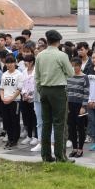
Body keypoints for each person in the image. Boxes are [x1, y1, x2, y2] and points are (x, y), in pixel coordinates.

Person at [34, 30, 75, 163]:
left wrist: (41, 89)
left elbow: (37, 76)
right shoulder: (61, 55)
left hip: (44, 89)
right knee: (60, 124)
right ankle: (60, 156)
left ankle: (46, 155)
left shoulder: (40, 55)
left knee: (46, 123)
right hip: (58, 90)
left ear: (47, 41)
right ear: (58, 41)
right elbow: (71, 73)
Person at [66, 57, 90, 158]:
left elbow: (86, 93)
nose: (74, 68)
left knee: (80, 128)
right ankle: (74, 148)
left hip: (80, 105)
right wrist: (66, 105)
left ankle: (80, 149)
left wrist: (84, 106)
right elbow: (66, 91)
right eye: (72, 66)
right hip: (70, 104)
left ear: (80, 66)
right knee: (71, 127)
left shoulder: (84, 77)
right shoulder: (68, 76)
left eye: (76, 66)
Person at [0, 55, 24, 150]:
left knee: (15, 121)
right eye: (7, 63)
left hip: (15, 101)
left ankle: (15, 140)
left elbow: (19, 89)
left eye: (11, 63)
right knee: (7, 121)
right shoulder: (4, 74)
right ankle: (9, 138)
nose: (9, 65)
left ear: (15, 63)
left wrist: (11, 98)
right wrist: (3, 98)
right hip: (4, 101)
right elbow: (1, 88)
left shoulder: (19, 74)